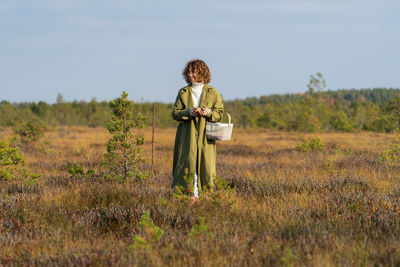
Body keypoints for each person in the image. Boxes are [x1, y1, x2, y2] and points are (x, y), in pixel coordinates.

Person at [171, 59, 224, 199]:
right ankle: (189, 196)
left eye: (193, 72)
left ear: (202, 72)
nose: (190, 75)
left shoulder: (213, 92)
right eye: (188, 72)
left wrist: (208, 113)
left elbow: (219, 113)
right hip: (186, 136)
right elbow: (175, 114)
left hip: (205, 136)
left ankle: (205, 197)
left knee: (205, 166)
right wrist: (189, 112)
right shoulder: (183, 92)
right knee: (187, 164)